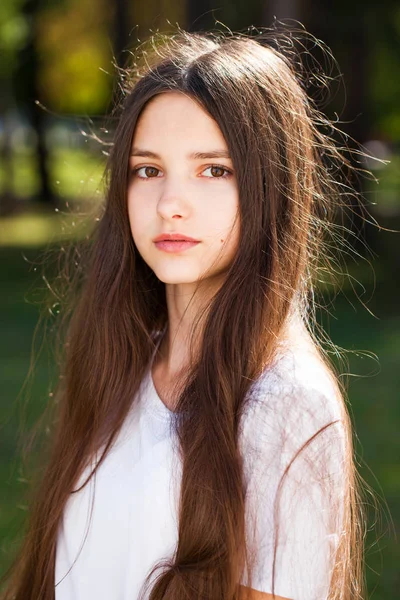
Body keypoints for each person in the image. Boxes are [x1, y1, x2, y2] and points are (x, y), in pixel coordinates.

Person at [0, 24, 367, 600]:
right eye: (148, 170)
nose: (171, 203)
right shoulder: (125, 359)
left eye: (213, 170)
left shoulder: (284, 402)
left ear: (272, 189)